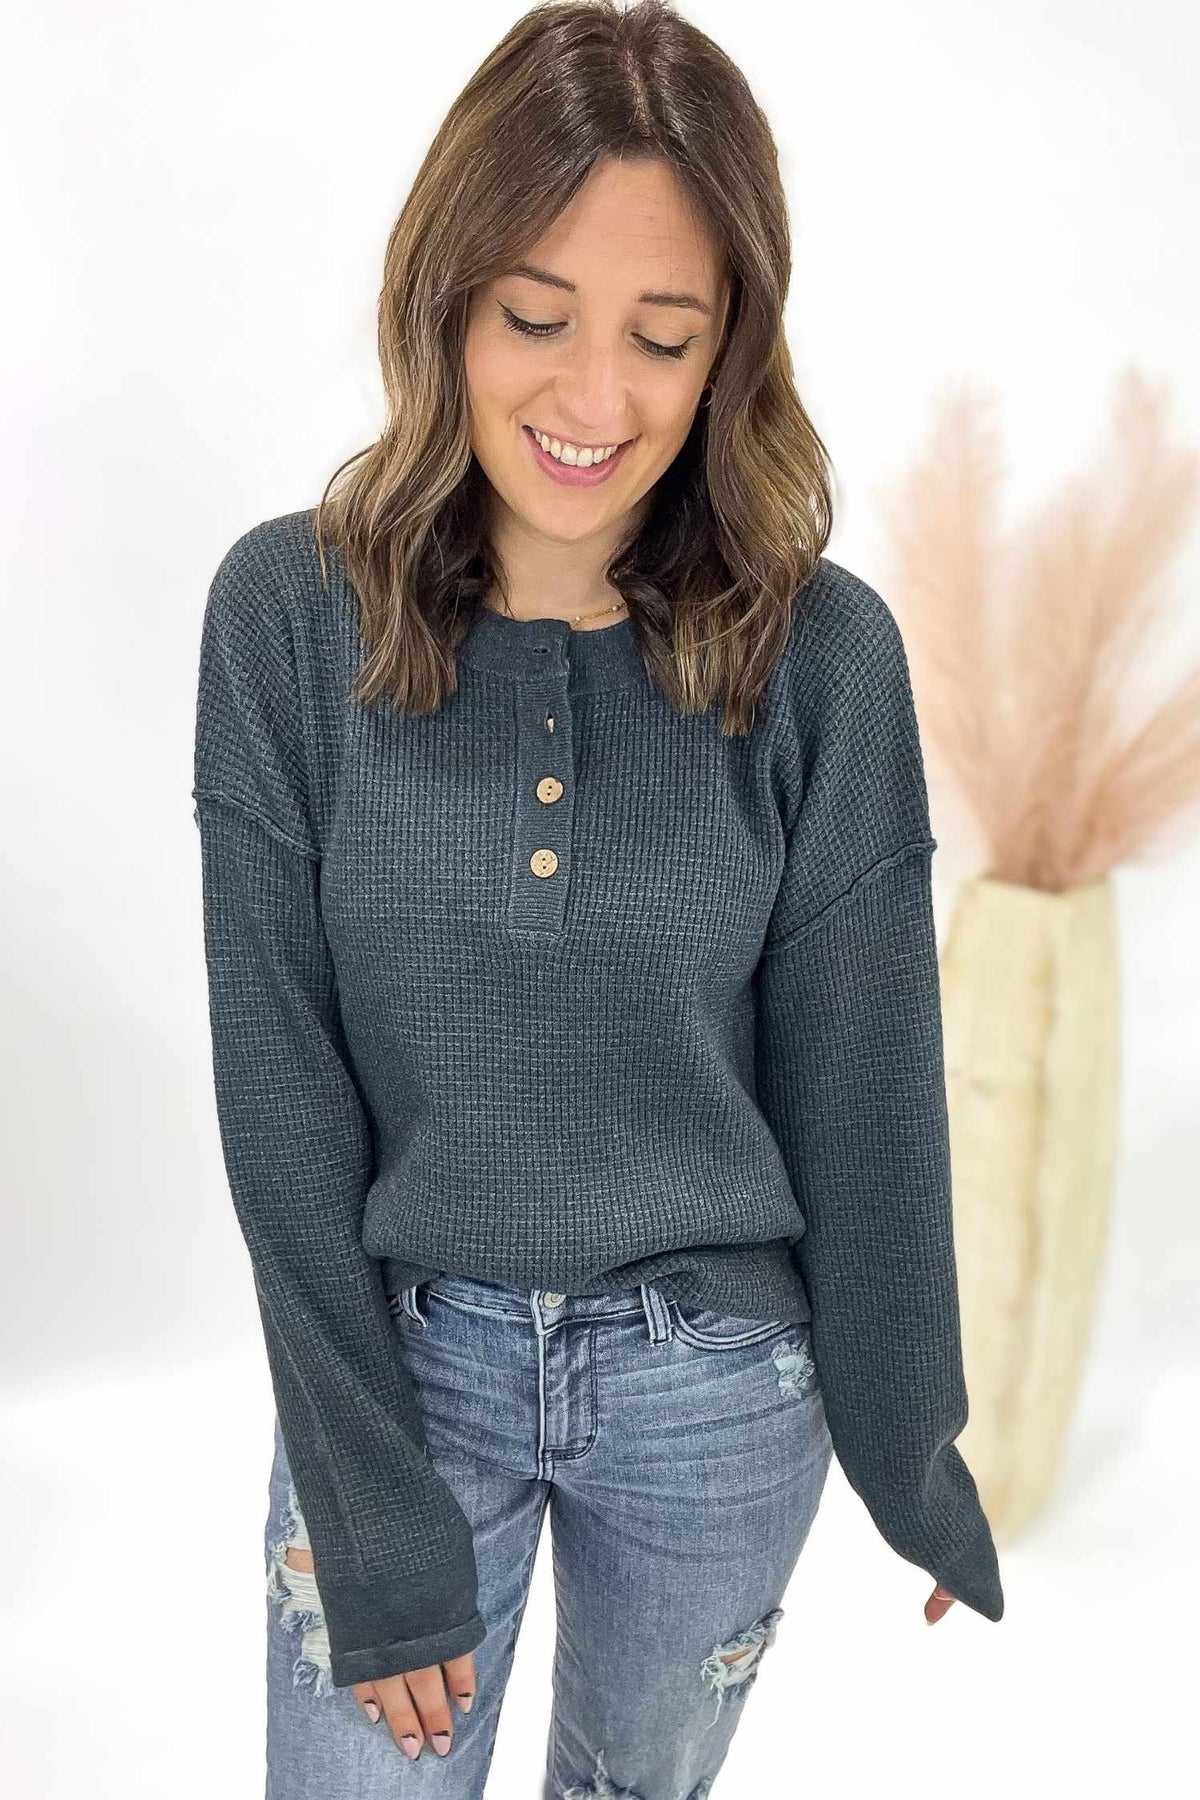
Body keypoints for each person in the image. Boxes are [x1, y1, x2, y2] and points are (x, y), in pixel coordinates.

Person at [191, 3, 1004, 1795]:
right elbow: (280, 1091)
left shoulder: (823, 656)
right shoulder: (283, 619)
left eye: (663, 335)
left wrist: (915, 1447)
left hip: (716, 1390)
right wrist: (368, 1510)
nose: (592, 399)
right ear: (446, 299)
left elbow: (865, 1088)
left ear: (734, 351)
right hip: (402, 1376)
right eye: (536, 317)